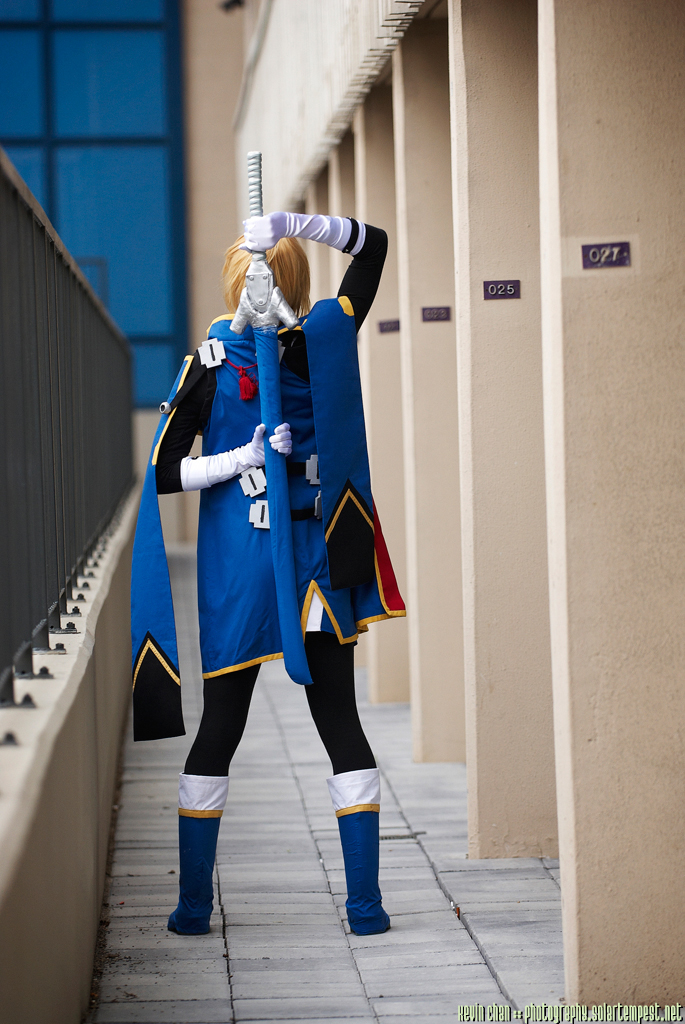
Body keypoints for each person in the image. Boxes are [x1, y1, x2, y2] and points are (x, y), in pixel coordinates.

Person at [143, 211, 405, 937]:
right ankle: (351, 907)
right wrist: (244, 459)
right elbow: (374, 248)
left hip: (287, 559)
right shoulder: (254, 351)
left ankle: (208, 909)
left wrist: (292, 219)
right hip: (263, 563)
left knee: (258, 723)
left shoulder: (310, 339)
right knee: (302, 721)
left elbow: (163, 470)